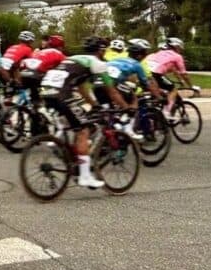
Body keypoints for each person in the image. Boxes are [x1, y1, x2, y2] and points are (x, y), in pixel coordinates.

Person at [39, 37, 131, 189]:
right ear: (101, 51)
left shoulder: (75, 59)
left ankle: (63, 147)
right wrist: (126, 107)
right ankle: (85, 176)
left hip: (47, 92)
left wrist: (94, 105)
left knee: (76, 120)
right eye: (104, 50)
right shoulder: (98, 63)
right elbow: (112, 92)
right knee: (83, 130)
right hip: (62, 94)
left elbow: (83, 89)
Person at [145, 37, 199, 120]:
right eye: (180, 48)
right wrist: (191, 86)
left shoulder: (159, 53)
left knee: (160, 92)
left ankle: (155, 113)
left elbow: (173, 69)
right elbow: (184, 74)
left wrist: (179, 79)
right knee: (173, 89)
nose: (181, 50)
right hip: (155, 74)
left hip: (145, 72)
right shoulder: (177, 56)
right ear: (176, 47)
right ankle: (166, 112)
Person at [18, 35, 67, 120]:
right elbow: (68, 66)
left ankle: (37, 121)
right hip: (36, 77)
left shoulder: (39, 52)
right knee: (49, 94)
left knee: (35, 101)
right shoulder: (58, 53)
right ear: (60, 47)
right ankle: (45, 114)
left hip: (24, 75)